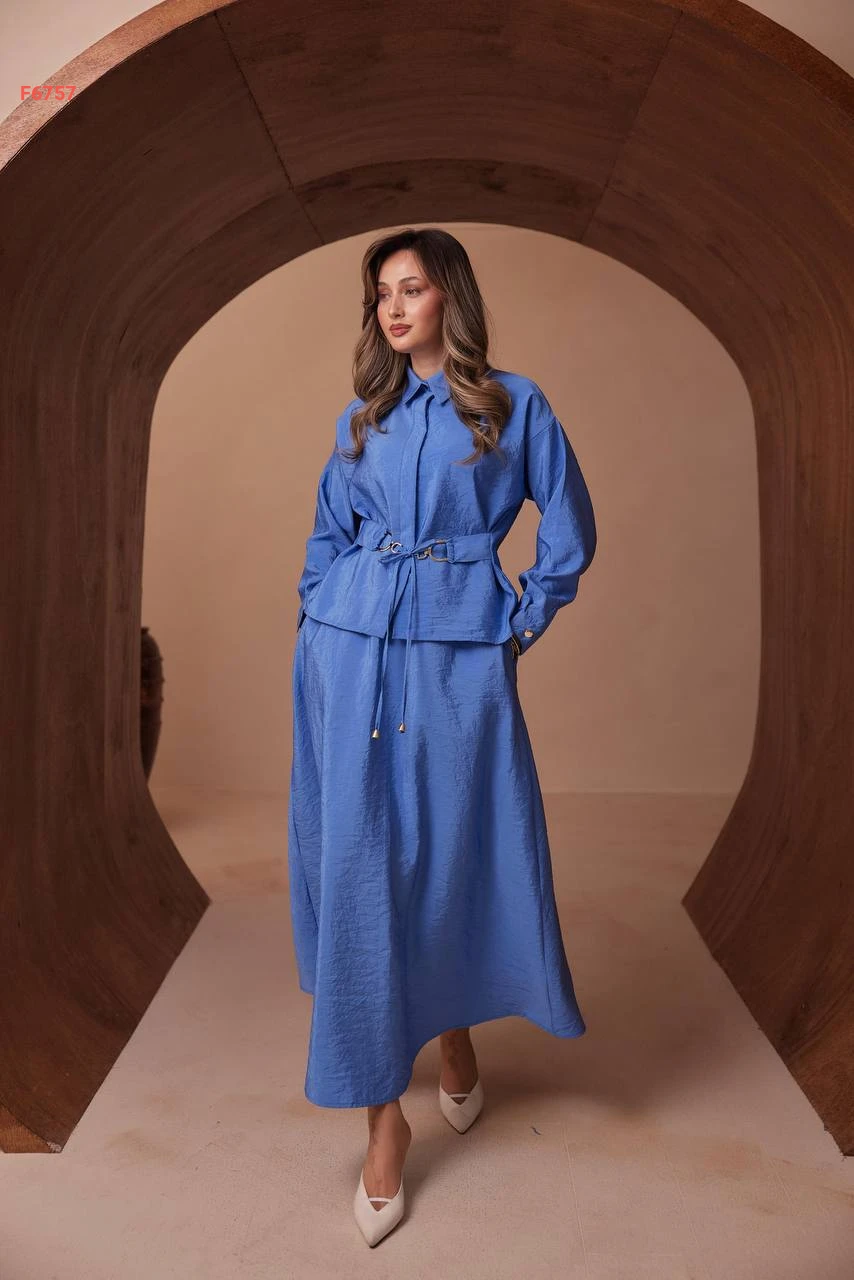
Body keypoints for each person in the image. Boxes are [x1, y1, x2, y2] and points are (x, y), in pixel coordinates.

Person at [288, 227, 597, 1246]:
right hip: (346, 651)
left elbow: (568, 530)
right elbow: (327, 534)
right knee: (359, 866)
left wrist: (517, 619)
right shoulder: (362, 418)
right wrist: (317, 612)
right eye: (381, 291)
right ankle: (385, 1121)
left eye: (411, 288)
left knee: (448, 850)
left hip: (458, 654)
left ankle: (452, 1029)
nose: (392, 306)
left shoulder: (513, 404)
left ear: (447, 299)